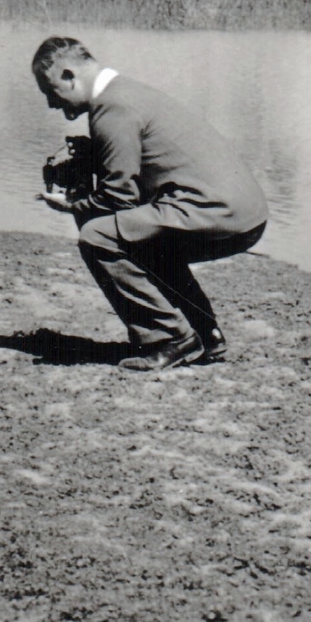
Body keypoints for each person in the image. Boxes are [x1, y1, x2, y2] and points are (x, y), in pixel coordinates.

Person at [31, 36, 269, 372]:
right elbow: (136, 188)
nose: (52, 104)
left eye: (49, 89)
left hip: (221, 215)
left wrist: (72, 204)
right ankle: (205, 333)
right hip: (245, 215)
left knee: (99, 236)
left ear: (69, 74)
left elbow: (119, 198)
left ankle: (168, 339)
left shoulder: (111, 107)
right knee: (140, 233)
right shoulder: (125, 91)